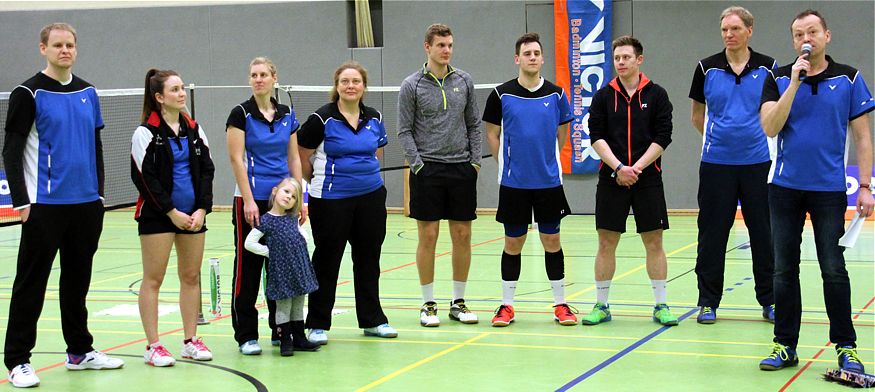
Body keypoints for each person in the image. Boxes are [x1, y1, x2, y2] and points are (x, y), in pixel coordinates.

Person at [3, 23, 124, 388]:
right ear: (43, 48)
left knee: (78, 282)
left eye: (70, 44)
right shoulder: (28, 93)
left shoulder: (89, 91)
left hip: (86, 204)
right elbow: (11, 150)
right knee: (30, 284)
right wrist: (22, 202)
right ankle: (17, 359)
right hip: (44, 206)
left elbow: (97, 146)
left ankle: (79, 351)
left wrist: (100, 194)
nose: (65, 50)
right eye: (57, 45)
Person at [758, 9, 873, 372]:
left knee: (833, 268)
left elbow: (863, 137)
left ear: (827, 35)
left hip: (829, 190)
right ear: (793, 42)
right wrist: (793, 83)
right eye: (798, 35)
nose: (805, 39)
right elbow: (770, 127)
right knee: (783, 270)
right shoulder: (776, 78)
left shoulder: (850, 78)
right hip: (784, 188)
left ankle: (846, 346)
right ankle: (784, 345)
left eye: (812, 32)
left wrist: (866, 187)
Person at [689, 6, 776, 324]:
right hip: (715, 165)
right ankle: (708, 301)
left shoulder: (769, 68)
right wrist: (722, 139)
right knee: (712, 235)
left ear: (749, 31)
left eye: (735, 29)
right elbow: (697, 115)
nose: (729, 34)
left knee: (764, 234)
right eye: (725, 29)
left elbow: (774, 112)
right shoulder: (706, 68)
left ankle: (770, 300)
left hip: (757, 164)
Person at [482, 33, 577, 327]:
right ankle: (506, 306)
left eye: (537, 52)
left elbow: (562, 134)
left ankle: (561, 304)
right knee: (513, 242)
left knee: (552, 240)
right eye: (527, 53)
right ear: (517, 59)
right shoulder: (500, 95)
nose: (532, 57)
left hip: (548, 182)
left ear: (542, 58)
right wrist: (506, 163)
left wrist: (545, 159)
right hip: (514, 184)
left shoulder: (557, 95)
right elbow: (492, 134)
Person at [583, 36, 678, 327]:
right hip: (612, 178)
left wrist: (635, 167)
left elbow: (664, 136)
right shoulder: (602, 96)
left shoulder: (657, 94)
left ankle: (661, 305)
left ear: (639, 59)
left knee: (654, 240)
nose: (621, 62)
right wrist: (618, 168)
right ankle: (601, 305)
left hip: (648, 177)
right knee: (606, 241)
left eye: (626, 57)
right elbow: (596, 136)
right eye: (617, 58)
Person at [300, 61, 397, 343]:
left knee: (368, 259)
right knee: (327, 261)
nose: (350, 86)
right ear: (337, 86)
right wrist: (319, 181)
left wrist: (362, 178)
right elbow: (302, 154)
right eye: (345, 81)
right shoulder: (322, 119)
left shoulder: (374, 117)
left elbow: (376, 152)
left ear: (363, 86)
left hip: (370, 197)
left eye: (356, 81)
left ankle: (373, 320)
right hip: (330, 200)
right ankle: (317, 323)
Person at [398, 23, 482, 327]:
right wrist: (418, 165)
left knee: (462, 235)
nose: (446, 50)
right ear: (427, 47)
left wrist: (474, 162)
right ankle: (427, 303)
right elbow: (404, 130)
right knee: (429, 236)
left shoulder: (465, 81)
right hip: (427, 170)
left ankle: (458, 302)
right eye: (441, 45)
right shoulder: (412, 85)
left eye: (450, 45)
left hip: (461, 168)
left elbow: (474, 124)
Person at [131, 69, 216, 366]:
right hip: (158, 216)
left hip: (193, 215)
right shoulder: (145, 133)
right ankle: (153, 346)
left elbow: (207, 170)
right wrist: (171, 212)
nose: (182, 94)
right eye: (176, 89)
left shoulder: (194, 129)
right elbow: (145, 178)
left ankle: (190, 340)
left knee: (190, 277)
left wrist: (202, 208)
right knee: (154, 279)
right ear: (159, 97)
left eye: (182, 88)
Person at [226, 57, 305, 355]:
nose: (258, 79)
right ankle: (246, 334)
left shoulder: (286, 114)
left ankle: (280, 329)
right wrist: (248, 200)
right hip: (251, 199)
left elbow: (294, 158)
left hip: (283, 200)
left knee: (280, 266)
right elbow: (236, 159)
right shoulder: (240, 114)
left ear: (274, 78)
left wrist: (300, 197)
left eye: (263, 74)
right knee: (248, 267)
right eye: (253, 75)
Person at [244, 178, 321, 356]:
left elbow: (301, 234)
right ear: (275, 191)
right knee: (284, 306)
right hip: (282, 271)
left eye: (294, 196)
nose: (288, 197)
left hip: (299, 266)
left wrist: (301, 242)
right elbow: (250, 243)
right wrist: (269, 252)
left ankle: (299, 338)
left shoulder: (292, 218)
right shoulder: (266, 220)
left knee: (298, 304)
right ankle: (285, 339)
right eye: (286, 192)